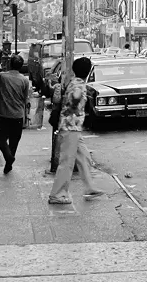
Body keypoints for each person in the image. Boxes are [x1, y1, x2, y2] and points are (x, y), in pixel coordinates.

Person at [48, 57, 105, 204]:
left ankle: (89, 187)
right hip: (70, 128)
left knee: (83, 158)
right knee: (67, 162)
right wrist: (76, 98)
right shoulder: (79, 84)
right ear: (88, 72)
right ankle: (57, 194)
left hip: (73, 128)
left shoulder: (74, 82)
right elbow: (75, 97)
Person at [0, 55, 31, 174]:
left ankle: (9, 158)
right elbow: (25, 99)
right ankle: (9, 161)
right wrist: (26, 116)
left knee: (1, 138)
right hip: (18, 115)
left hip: (3, 114)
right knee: (14, 141)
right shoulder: (24, 80)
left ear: (9, 64)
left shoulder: (2, 76)